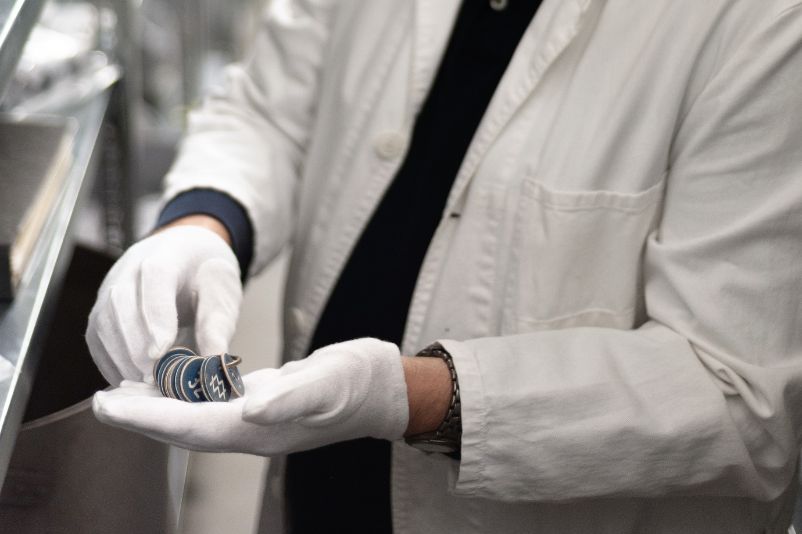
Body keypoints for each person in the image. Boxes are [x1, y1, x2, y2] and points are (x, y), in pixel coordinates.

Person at [87, 1, 802, 533]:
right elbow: (271, 109)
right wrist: (203, 224)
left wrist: (412, 397)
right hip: (319, 498)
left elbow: (740, 399)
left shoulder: (765, 23)